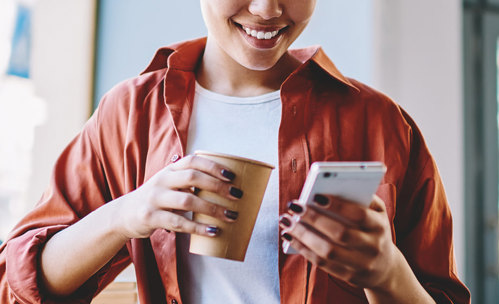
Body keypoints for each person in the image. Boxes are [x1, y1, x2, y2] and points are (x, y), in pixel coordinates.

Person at [0, 0, 470, 303]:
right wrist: (130, 212)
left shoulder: (381, 122)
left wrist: (386, 273)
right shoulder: (132, 113)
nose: (267, 9)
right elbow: (19, 284)